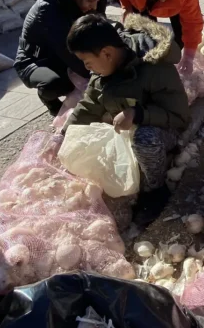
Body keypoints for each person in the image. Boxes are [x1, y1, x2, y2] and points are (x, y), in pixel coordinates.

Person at [64, 14, 190, 224]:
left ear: (106, 53)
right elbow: (89, 104)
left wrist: (138, 114)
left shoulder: (154, 68)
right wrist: (64, 134)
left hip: (165, 127)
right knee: (96, 128)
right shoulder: (106, 67)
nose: (88, 69)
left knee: (144, 138)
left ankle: (156, 189)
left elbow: (179, 116)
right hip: (130, 124)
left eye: (87, 63)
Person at [15, 0, 106, 115]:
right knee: (57, 83)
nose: (94, 6)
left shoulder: (72, 1)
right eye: (91, 0)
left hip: (58, 56)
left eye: (97, 1)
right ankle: (49, 100)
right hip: (34, 61)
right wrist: (102, 75)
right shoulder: (48, 11)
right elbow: (69, 52)